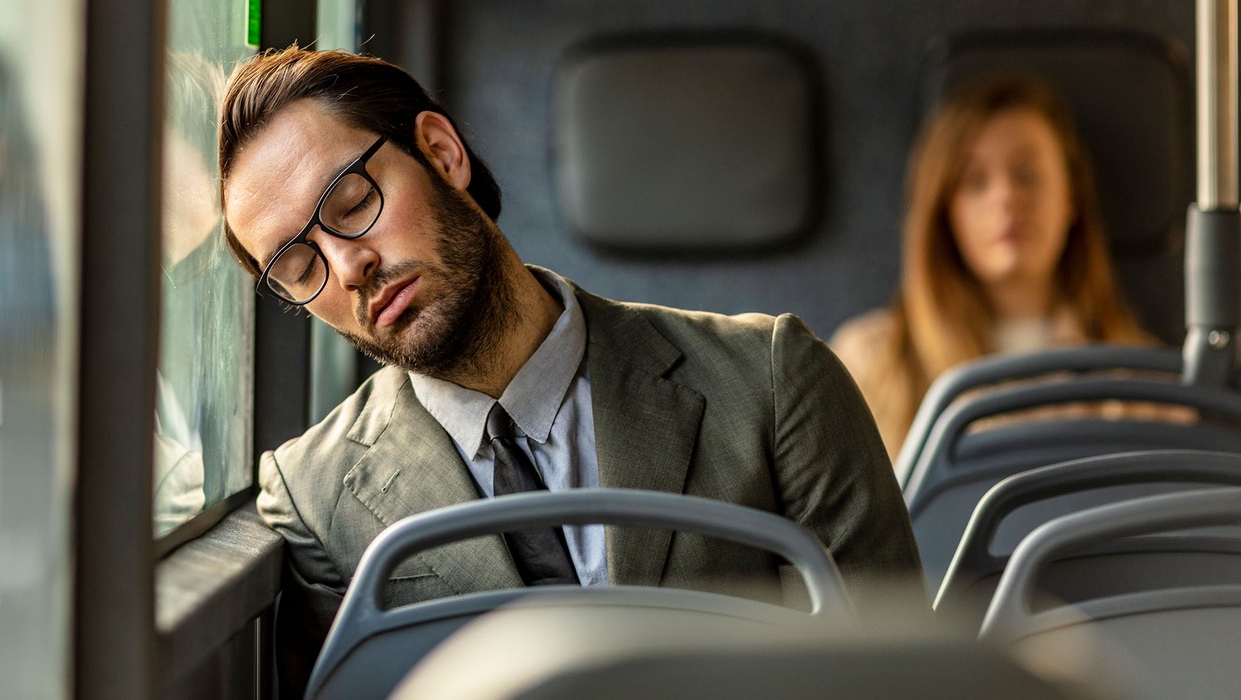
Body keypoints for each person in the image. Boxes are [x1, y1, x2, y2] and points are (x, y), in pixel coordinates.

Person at [218, 47, 922, 691]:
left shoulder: (771, 382)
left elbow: (900, 676)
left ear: (440, 152)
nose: (348, 267)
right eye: (301, 266)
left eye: (352, 203)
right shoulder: (316, 498)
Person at [831, 77, 1155, 467]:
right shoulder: (869, 365)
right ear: (945, 213)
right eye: (975, 181)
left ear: (1072, 197)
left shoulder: (1145, 382)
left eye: (1027, 174)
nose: (1006, 198)